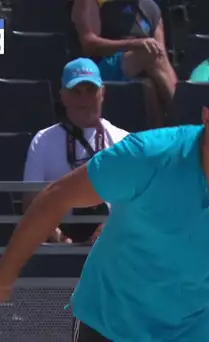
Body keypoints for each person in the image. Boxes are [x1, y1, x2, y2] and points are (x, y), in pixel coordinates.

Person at [0, 71, 209, 342]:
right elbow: (58, 195)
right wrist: (2, 275)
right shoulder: (147, 155)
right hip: (108, 325)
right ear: (207, 118)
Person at [23, 58, 129, 244]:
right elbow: (31, 203)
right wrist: (59, 238)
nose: (84, 99)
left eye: (90, 91)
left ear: (102, 93)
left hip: (112, 246)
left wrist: (110, 229)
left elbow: (136, 202)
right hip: (57, 247)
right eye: (76, 92)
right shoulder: (43, 141)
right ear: (63, 96)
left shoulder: (124, 141)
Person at [71, 0, 178, 126]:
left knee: (148, 85)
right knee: (148, 53)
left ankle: (166, 132)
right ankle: (188, 116)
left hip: (140, 66)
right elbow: (89, 44)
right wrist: (134, 45)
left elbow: (162, 56)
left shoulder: (152, 8)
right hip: (98, 68)